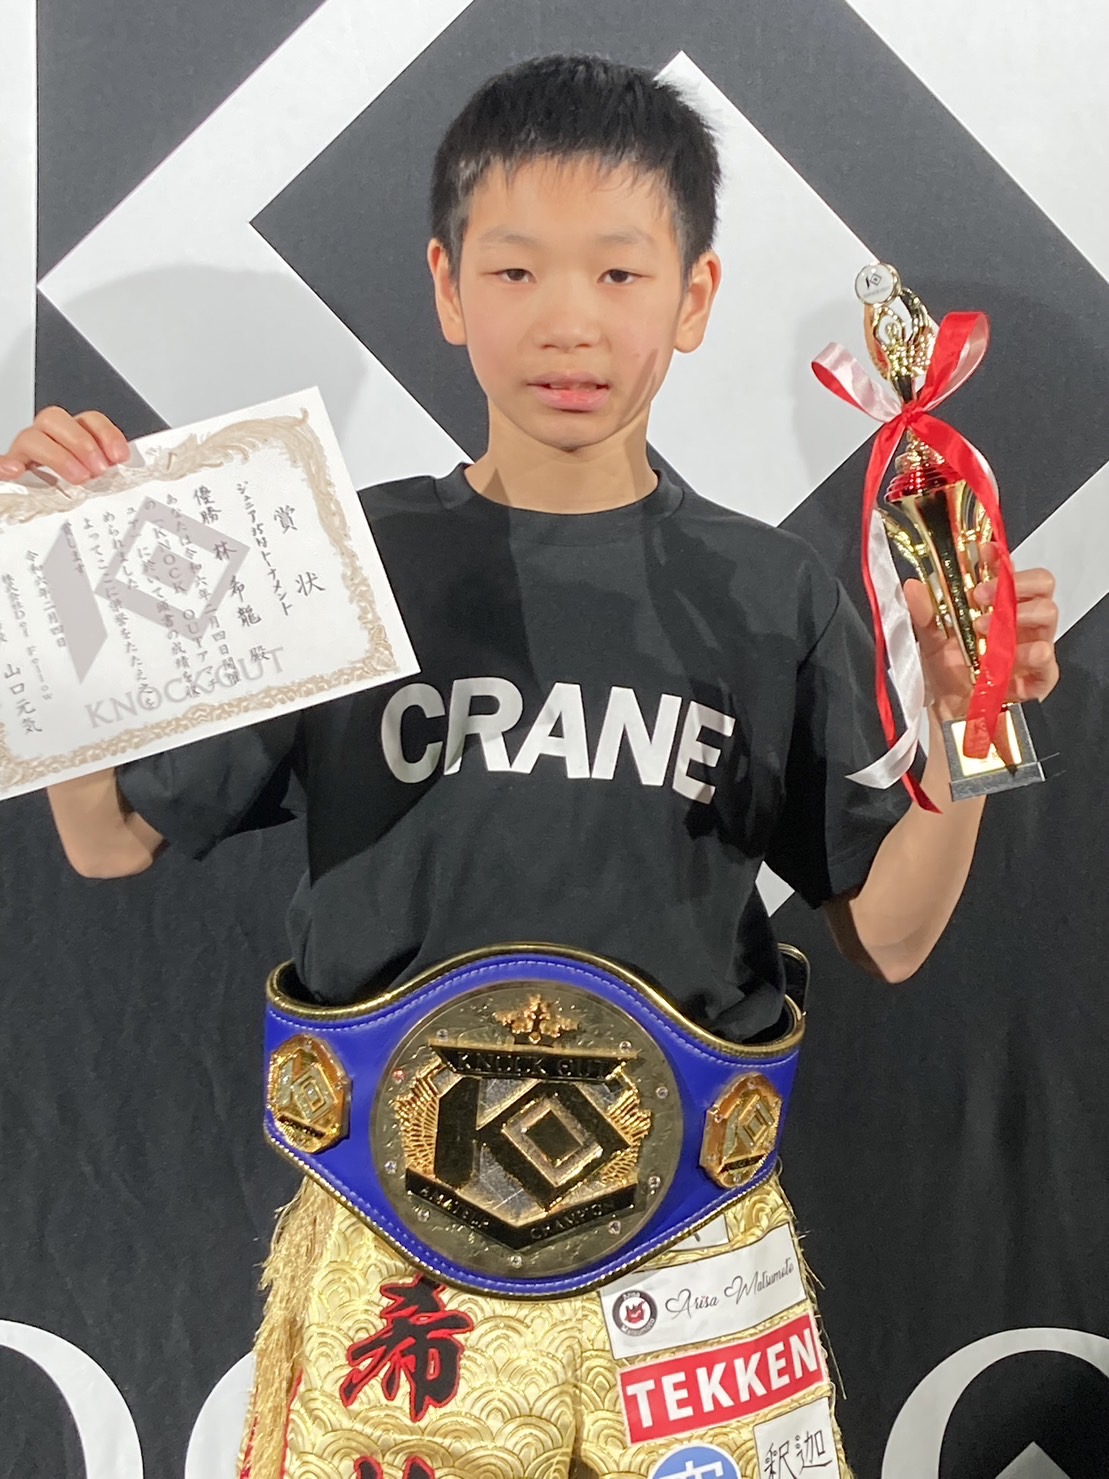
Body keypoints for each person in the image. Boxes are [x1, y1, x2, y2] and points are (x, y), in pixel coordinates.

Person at [7, 53, 1060, 1479]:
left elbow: (890, 933)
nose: (570, 320)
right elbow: (106, 838)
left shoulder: (770, 595)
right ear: (447, 288)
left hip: (690, 1260)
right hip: (396, 1251)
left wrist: (962, 721)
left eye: (620, 273)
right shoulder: (339, 559)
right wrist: (64, 593)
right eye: (516, 271)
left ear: (694, 297)